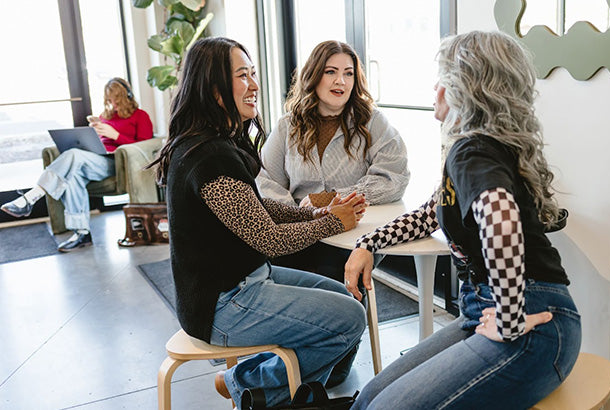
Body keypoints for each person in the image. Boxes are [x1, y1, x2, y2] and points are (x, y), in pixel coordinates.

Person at [343, 31, 582, 409]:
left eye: (442, 77)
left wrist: (508, 319)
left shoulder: (471, 150)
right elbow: (427, 215)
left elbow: (501, 219)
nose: (435, 88)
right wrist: (369, 243)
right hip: (490, 310)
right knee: (369, 398)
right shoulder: (484, 150)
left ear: (463, 89)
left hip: (530, 321)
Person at [148, 37, 367, 409]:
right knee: (350, 319)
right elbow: (269, 240)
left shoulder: (218, 141)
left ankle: (289, 386)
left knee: (345, 304)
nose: (253, 84)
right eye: (242, 76)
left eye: (253, 74)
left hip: (250, 279)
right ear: (214, 88)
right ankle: (243, 383)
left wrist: (310, 214)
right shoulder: (208, 155)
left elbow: (254, 207)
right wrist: (331, 223)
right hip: (224, 304)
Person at [256, 39, 409, 282]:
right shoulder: (288, 126)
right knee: (273, 269)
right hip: (301, 231)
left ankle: (346, 318)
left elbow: (393, 179)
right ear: (314, 76)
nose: (341, 81)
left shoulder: (373, 121)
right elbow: (267, 182)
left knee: (332, 274)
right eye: (331, 72)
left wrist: (330, 199)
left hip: (353, 231)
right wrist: (301, 219)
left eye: (348, 74)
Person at [1, 77, 153, 252]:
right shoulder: (106, 117)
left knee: (73, 156)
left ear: (127, 96)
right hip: (95, 159)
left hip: (117, 163)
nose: (113, 104)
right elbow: (101, 144)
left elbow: (143, 149)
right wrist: (90, 138)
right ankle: (82, 233)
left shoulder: (140, 116)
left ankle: (31, 197)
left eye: (116, 99)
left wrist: (116, 135)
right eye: (109, 100)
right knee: (72, 175)